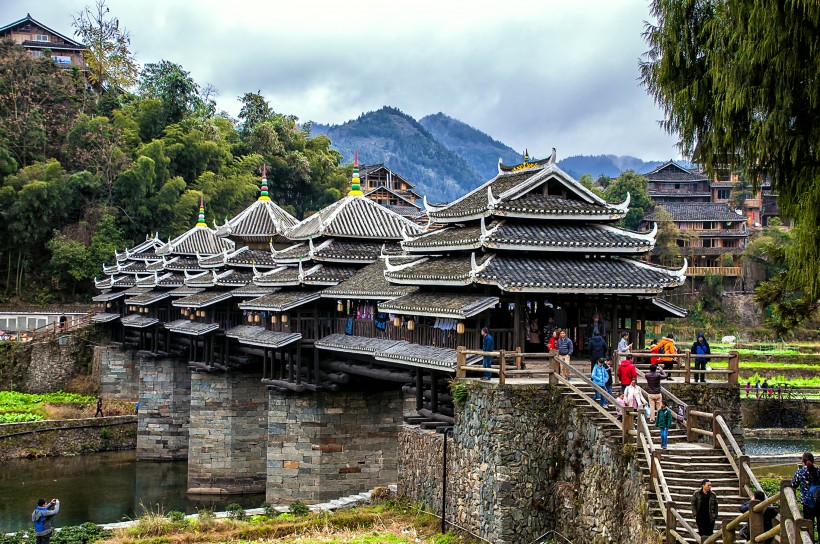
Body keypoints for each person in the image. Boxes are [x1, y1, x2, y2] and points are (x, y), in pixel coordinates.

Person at [791, 452, 820, 535]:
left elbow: (793, 484)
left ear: (803, 461)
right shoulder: (818, 470)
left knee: (808, 527)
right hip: (819, 501)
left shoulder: (800, 473)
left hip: (807, 503)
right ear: (813, 461)